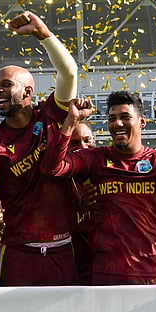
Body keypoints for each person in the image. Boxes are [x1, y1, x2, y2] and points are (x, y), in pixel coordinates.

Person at [40, 93, 156, 285]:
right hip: (106, 276)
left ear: (142, 122)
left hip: (153, 274)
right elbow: (51, 167)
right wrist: (71, 121)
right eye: (112, 119)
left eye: (125, 117)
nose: (117, 124)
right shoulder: (95, 159)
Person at [0, 11, 80, 293]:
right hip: (18, 253)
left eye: (6, 85)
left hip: (64, 249)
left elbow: (68, 72)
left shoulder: (51, 114)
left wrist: (44, 34)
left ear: (28, 91)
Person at [69, 119, 97, 285]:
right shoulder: (59, 180)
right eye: (74, 143)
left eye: (87, 140)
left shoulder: (108, 172)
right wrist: (79, 208)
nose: (83, 147)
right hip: (73, 268)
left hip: (108, 266)